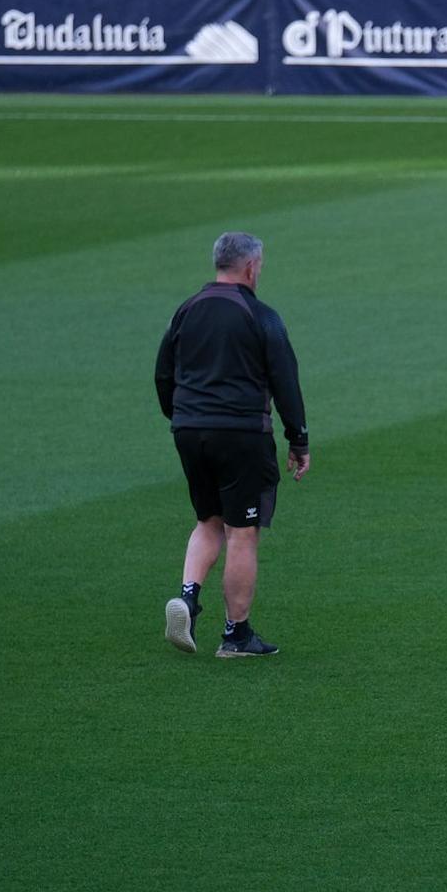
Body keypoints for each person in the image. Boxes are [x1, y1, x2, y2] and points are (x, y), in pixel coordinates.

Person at [154, 231, 310, 659]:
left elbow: (163, 374)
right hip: (241, 434)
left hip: (189, 430)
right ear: (251, 268)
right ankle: (236, 636)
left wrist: (182, 417)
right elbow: (285, 382)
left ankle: (186, 599)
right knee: (243, 531)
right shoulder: (260, 316)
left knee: (208, 520)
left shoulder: (185, 311)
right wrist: (298, 438)